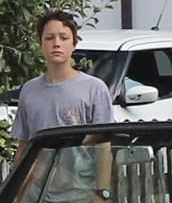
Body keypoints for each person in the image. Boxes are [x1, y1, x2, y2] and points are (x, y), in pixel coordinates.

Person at [10, 9, 114, 144]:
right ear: (40, 44)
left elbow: (103, 142)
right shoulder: (29, 90)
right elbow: (24, 143)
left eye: (64, 38)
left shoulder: (95, 88)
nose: (56, 44)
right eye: (49, 38)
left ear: (74, 44)